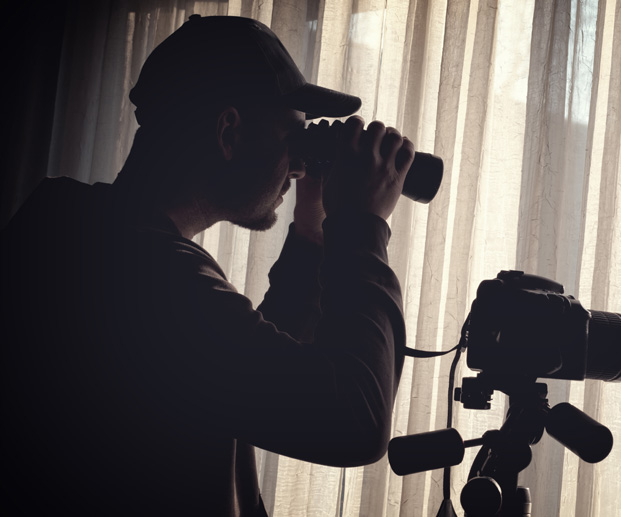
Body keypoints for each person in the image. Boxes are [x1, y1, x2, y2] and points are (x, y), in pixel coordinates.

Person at [0, 15, 413, 516]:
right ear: (229, 133)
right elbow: (355, 418)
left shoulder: (81, 236)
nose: (301, 166)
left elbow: (249, 371)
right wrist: (362, 226)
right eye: (293, 140)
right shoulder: (148, 273)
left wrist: (311, 236)